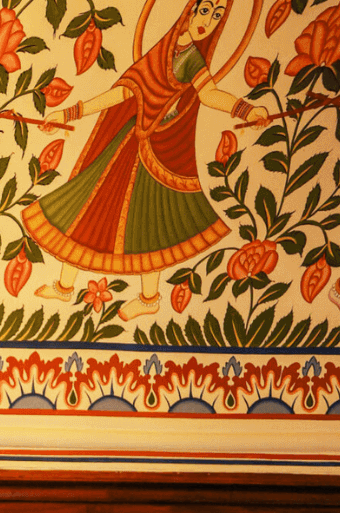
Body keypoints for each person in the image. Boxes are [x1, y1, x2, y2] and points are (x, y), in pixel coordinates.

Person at [23, 0, 270, 322]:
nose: (208, 21)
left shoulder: (192, 59)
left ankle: (149, 299)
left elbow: (209, 94)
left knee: (150, 227)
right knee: (87, 207)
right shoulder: (163, 51)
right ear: (189, 11)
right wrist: (69, 113)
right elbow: (124, 93)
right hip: (128, 145)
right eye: (205, 10)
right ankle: (65, 286)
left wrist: (246, 109)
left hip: (160, 152)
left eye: (218, 16)